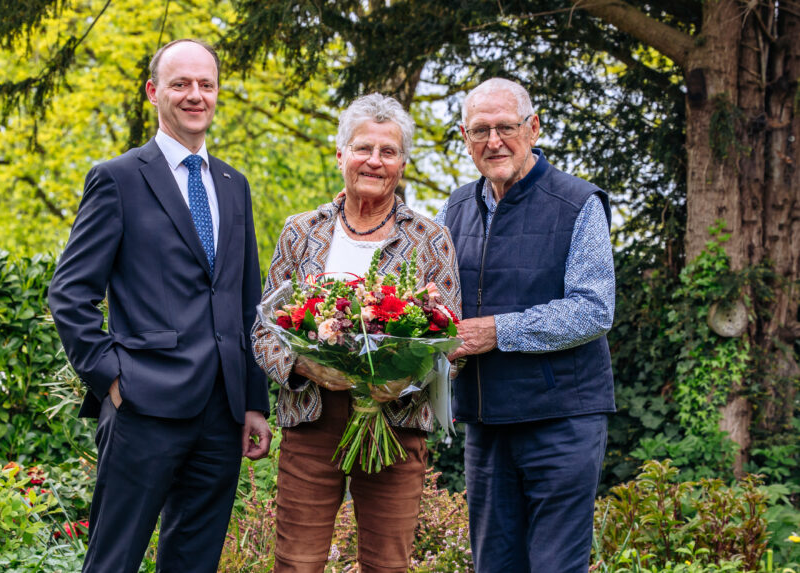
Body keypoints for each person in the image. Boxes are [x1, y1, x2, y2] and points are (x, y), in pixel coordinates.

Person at [48, 39, 272, 573]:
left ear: (217, 93)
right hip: (142, 407)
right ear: (154, 92)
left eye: (206, 85)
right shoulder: (118, 179)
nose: (196, 95)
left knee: (194, 563)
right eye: (181, 84)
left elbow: (247, 302)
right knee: (113, 561)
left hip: (221, 413)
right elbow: (70, 292)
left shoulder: (233, 185)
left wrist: (254, 401)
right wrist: (111, 378)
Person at [251, 93, 461, 573]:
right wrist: (305, 366)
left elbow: (448, 338)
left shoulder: (430, 238)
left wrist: (401, 379)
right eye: (363, 148)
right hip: (312, 419)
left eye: (388, 152)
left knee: (387, 565)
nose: (375, 161)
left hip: (397, 422)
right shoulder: (301, 232)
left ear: (402, 164)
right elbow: (263, 330)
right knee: (296, 563)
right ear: (341, 153)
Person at [435, 78, 616, 572]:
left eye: (506, 127)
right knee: (493, 564)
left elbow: (593, 308)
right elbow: (439, 304)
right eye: (479, 131)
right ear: (464, 138)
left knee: (555, 565)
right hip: (486, 421)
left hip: (561, 420)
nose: (493, 142)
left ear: (533, 128)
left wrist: (496, 331)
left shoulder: (578, 203)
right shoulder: (454, 208)